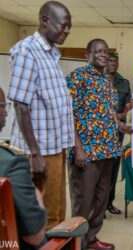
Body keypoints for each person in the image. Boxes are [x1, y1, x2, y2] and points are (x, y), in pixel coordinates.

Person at [7, 1, 74, 229]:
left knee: (55, 211)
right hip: (40, 151)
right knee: (43, 218)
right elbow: (20, 105)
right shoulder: (27, 51)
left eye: (69, 27)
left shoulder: (50, 55)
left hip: (55, 147)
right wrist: (35, 154)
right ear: (45, 20)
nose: (66, 31)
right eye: (63, 25)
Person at [66, 39, 133, 250]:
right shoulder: (77, 77)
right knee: (83, 202)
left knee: (100, 201)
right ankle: (77, 243)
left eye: (105, 51)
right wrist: (78, 148)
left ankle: (92, 239)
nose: (103, 54)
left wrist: (121, 126)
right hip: (87, 152)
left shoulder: (107, 81)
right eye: (98, 51)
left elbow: (108, 113)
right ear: (87, 54)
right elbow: (68, 115)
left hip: (109, 150)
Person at [0, 87, 47, 249]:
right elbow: (34, 236)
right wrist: (36, 193)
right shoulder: (12, 163)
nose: (6, 113)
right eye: (2, 106)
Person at [105, 51, 132, 215]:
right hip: (97, 134)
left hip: (116, 133)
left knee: (113, 170)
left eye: (116, 60)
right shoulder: (97, 80)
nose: (114, 63)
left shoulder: (123, 82)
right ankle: (98, 207)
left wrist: (121, 115)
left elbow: (128, 108)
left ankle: (109, 203)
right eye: (110, 60)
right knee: (100, 172)